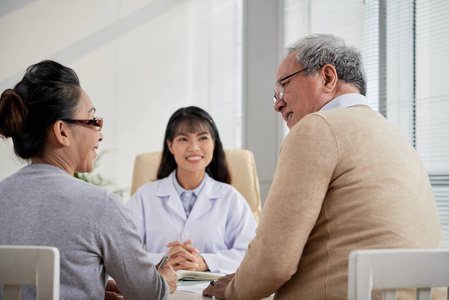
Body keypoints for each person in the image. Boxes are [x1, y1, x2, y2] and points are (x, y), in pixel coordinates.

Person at [203, 34, 443, 299]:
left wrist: (234, 289)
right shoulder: (395, 137)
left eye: (283, 87)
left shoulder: (317, 128)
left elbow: (274, 259)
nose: (277, 104)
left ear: (327, 78)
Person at [0, 60, 177, 299]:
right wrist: (163, 281)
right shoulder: (101, 206)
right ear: (62, 132)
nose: (100, 134)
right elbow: (149, 295)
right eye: (93, 121)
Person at [126, 106, 257, 274]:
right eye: (183, 139)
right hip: (160, 291)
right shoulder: (145, 196)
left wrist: (205, 262)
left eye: (203, 138)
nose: (194, 147)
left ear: (213, 144)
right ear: (170, 145)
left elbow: (251, 255)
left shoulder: (230, 198)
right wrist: (163, 260)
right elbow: (123, 252)